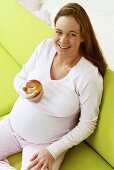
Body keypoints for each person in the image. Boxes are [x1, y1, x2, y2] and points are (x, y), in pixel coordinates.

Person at [0, 3, 107, 170]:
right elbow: (20, 78)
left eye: (72, 34)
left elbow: (87, 124)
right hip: (11, 127)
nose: (63, 40)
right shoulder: (44, 47)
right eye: (59, 32)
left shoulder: (89, 76)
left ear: (83, 37)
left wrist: (52, 151)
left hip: (44, 145)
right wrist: (25, 91)